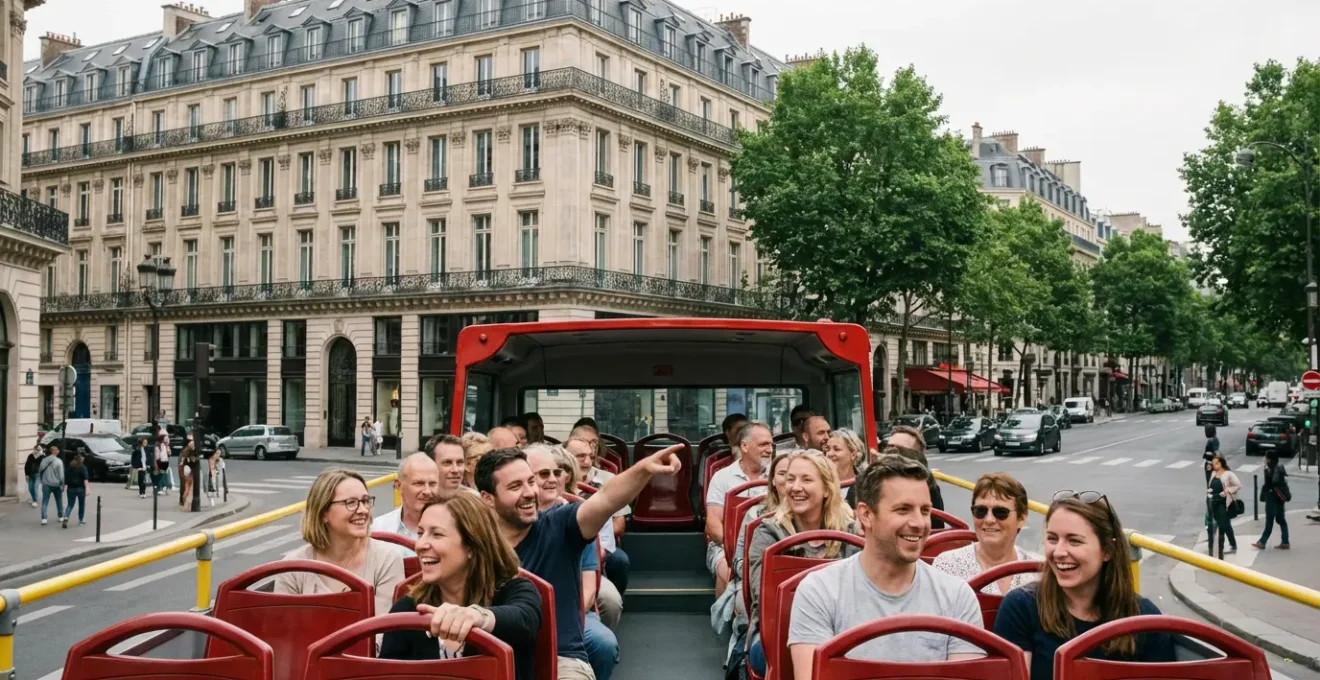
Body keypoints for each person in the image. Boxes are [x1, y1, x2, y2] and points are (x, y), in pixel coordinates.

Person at [476, 444, 682, 680]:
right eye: (515, 486)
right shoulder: (475, 544)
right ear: (487, 498)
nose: (529, 492)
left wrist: (644, 469)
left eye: (530, 482)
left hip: (560, 660)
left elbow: (605, 499)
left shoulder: (560, 526)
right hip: (492, 660)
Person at [788, 455, 984, 679]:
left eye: (925, 511)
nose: (919, 523)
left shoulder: (957, 596)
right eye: (903, 510)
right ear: (866, 515)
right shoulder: (819, 591)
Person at [994, 491, 1175, 680]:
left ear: (1108, 550)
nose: (1059, 552)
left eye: (1074, 541)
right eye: (1052, 539)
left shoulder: (1144, 619)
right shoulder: (1021, 607)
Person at [380, 493, 542, 680]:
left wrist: (477, 616)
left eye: (437, 534)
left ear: (472, 546)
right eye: (420, 533)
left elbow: (524, 620)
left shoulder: (515, 591)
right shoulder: (409, 609)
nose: (421, 544)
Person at [746, 451, 858, 675]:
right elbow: (764, 597)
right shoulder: (768, 534)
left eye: (806, 480)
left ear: (827, 489)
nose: (796, 487)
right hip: (778, 630)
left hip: (841, 628)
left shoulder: (849, 533)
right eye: (790, 479)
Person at [276, 468, 406, 617]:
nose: (363, 509)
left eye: (365, 501)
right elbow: (284, 632)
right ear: (323, 512)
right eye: (351, 503)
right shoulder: (292, 567)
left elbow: (380, 633)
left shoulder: (386, 559)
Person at [932, 473, 1039, 594]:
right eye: (980, 511)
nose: (989, 520)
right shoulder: (948, 566)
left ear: (1021, 519)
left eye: (1000, 512)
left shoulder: (1036, 572)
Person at [705, 422, 774, 598]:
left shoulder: (779, 476)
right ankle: (725, 619)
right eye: (763, 444)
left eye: (771, 444)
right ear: (744, 446)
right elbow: (713, 525)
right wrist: (737, 552)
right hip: (726, 546)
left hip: (770, 544)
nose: (769, 449)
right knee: (728, 570)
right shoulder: (722, 477)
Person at [372, 453, 441, 555]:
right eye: (419, 483)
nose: (427, 491)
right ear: (398, 486)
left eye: (432, 484)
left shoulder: (455, 529)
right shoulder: (377, 529)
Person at [1253, 450, 1291, 550]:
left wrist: (1266, 473)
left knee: (1269, 520)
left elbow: (1269, 484)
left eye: (1266, 458)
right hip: (1280, 497)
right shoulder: (1279, 468)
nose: (1264, 459)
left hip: (1272, 497)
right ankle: (1285, 541)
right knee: (1281, 519)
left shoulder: (1271, 470)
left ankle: (1262, 542)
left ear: (1269, 459)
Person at [1206, 453, 1240, 558]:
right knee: (1225, 524)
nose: (1214, 465)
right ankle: (1231, 544)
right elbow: (1211, 485)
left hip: (1224, 503)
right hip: (1214, 502)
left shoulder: (1228, 474)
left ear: (1221, 463)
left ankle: (1221, 550)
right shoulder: (1213, 474)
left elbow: (1238, 485)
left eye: (1216, 463)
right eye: (1213, 463)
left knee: (1223, 525)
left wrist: (1227, 491)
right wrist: (1209, 492)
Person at [38, 444, 66, 527]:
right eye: (57, 450)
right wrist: (62, 484)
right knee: (59, 500)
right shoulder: (58, 461)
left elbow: (40, 470)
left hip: (46, 483)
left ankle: (44, 518)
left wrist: (42, 480)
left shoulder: (44, 460)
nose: (58, 451)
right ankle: (60, 516)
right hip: (56, 484)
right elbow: (61, 475)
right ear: (54, 452)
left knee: (45, 501)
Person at [64, 453, 90, 526]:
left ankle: (66, 516)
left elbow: (66, 478)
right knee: (81, 505)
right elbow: (85, 479)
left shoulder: (70, 467)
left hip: (70, 489)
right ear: (81, 459)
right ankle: (80, 520)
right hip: (80, 489)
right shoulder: (82, 467)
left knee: (70, 505)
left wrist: (64, 487)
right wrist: (87, 488)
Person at [24, 440, 42, 507]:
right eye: (34, 449)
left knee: (35, 488)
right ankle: (33, 498)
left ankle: (35, 501)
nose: (35, 451)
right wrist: (26, 474)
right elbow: (26, 465)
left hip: (37, 474)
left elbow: (41, 465)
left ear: (39, 450)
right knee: (30, 488)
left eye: (37, 450)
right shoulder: (30, 456)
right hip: (30, 474)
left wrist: (40, 454)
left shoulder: (41, 457)